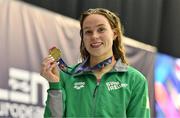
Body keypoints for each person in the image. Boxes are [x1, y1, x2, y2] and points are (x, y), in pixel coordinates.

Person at [40, 8, 151, 118]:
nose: (94, 36)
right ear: (83, 37)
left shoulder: (135, 79)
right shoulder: (68, 76)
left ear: (114, 33)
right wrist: (54, 84)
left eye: (101, 29)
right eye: (88, 32)